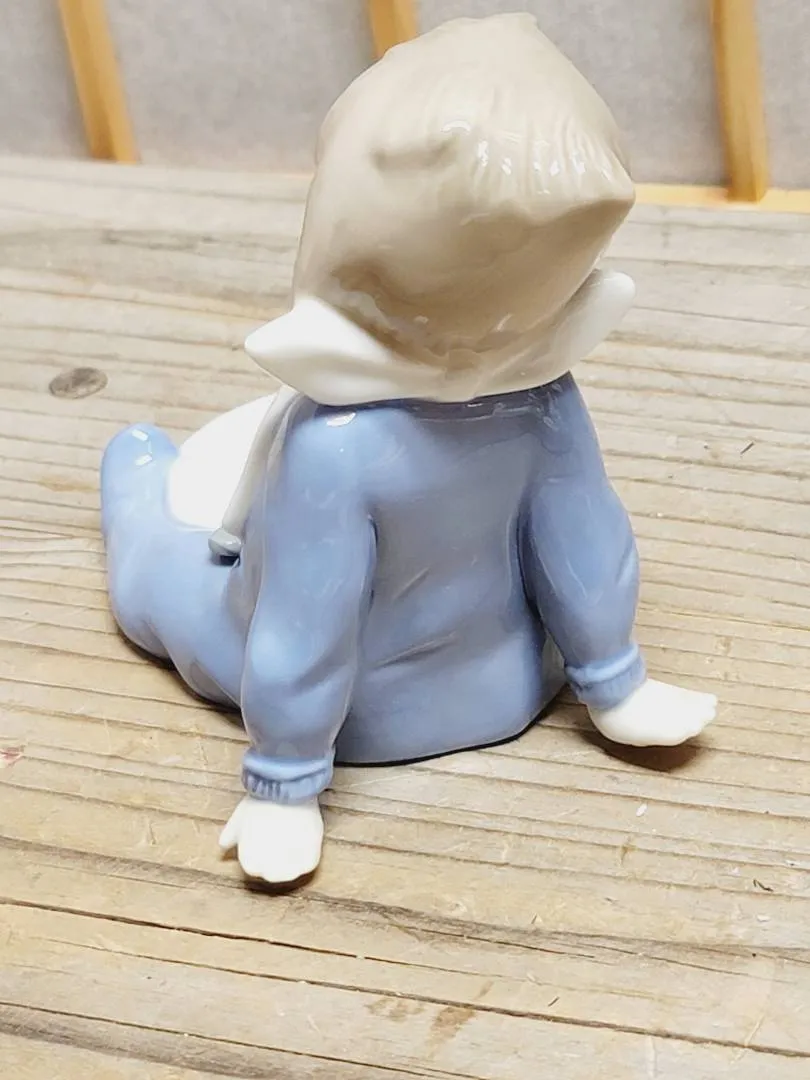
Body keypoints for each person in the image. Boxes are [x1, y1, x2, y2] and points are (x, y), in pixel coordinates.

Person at [101, 14, 716, 885]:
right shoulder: (396, 432)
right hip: (458, 690)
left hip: (434, 691)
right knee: (160, 541)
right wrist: (283, 778)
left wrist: (616, 677)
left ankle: (138, 467)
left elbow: (579, 541)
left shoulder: (490, 409)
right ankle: (135, 466)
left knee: (162, 553)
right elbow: (308, 624)